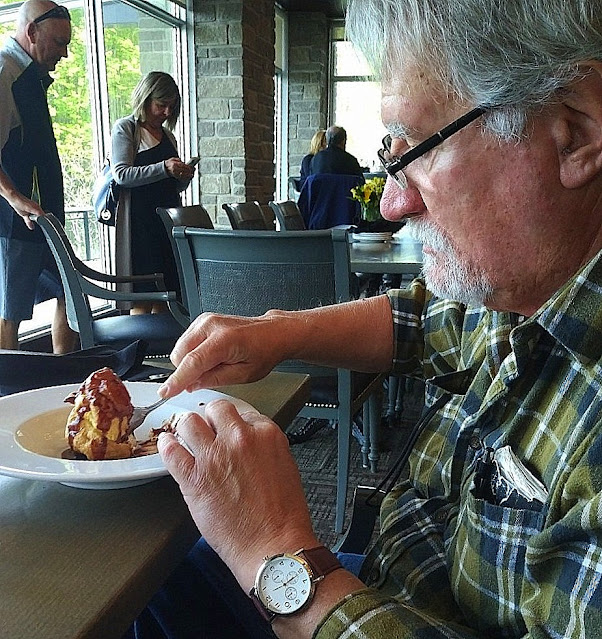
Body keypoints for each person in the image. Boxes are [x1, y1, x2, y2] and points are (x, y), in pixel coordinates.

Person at [128, 0, 602, 637]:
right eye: (392, 151)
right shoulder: (527, 287)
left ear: (575, 132)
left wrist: (277, 553)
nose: (394, 202)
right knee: (157, 575)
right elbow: (429, 322)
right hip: (399, 572)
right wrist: (276, 331)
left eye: (420, 148)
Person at [0, 0, 77, 352]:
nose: (65, 53)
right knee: (10, 312)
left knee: (70, 292)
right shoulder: (5, 72)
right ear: (31, 32)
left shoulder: (29, 76)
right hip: (14, 222)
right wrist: (15, 198)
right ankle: (10, 384)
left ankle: (67, 375)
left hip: (43, 218)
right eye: (60, 42)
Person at [110, 71, 194, 315]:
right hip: (139, 225)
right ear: (145, 99)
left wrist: (182, 177)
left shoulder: (168, 136)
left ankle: (162, 340)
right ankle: (140, 341)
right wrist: (164, 167)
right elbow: (122, 174)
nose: (167, 112)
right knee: (143, 295)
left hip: (166, 223)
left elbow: (171, 186)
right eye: (161, 105)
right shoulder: (126, 129)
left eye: (171, 107)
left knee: (168, 296)